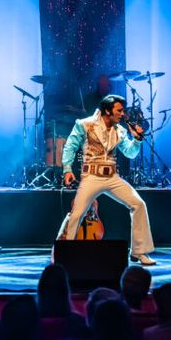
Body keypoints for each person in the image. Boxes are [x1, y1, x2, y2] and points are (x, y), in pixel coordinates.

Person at [56, 94, 156, 265]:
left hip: (112, 177)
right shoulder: (85, 124)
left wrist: (137, 140)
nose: (123, 114)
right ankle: (64, 252)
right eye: (119, 110)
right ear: (108, 111)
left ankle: (139, 251)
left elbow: (130, 153)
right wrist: (67, 169)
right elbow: (70, 146)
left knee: (139, 204)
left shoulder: (120, 130)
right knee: (77, 214)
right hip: (91, 176)